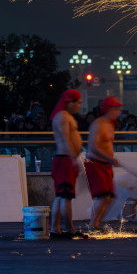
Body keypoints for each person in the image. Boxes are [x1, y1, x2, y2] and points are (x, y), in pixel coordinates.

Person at [84, 97, 123, 231]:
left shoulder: (111, 124)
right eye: (116, 109)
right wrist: (109, 158)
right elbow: (93, 147)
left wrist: (110, 159)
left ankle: (96, 224)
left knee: (110, 197)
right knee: (103, 196)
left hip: (106, 164)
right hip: (95, 163)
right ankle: (92, 225)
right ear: (109, 110)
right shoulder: (98, 124)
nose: (118, 112)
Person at [49, 89, 84, 238]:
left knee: (60, 196)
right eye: (77, 102)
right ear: (69, 102)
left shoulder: (64, 116)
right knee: (65, 197)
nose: (79, 106)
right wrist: (73, 159)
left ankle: (55, 229)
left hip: (64, 159)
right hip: (65, 159)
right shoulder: (62, 117)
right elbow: (65, 138)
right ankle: (70, 230)